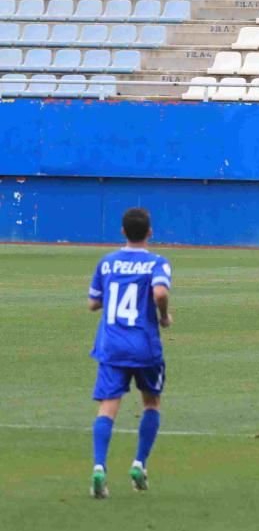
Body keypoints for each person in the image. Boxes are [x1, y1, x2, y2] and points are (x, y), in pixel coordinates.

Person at [87, 208, 173, 498]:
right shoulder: (157, 263)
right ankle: (139, 464)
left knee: (108, 406)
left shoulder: (108, 263)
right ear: (150, 232)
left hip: (111, 345)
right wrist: (164, 315)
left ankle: (99, 467)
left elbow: (92, 303)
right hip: (145, 346)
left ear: (122, 231)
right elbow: (160, 293)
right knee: (151, 402)